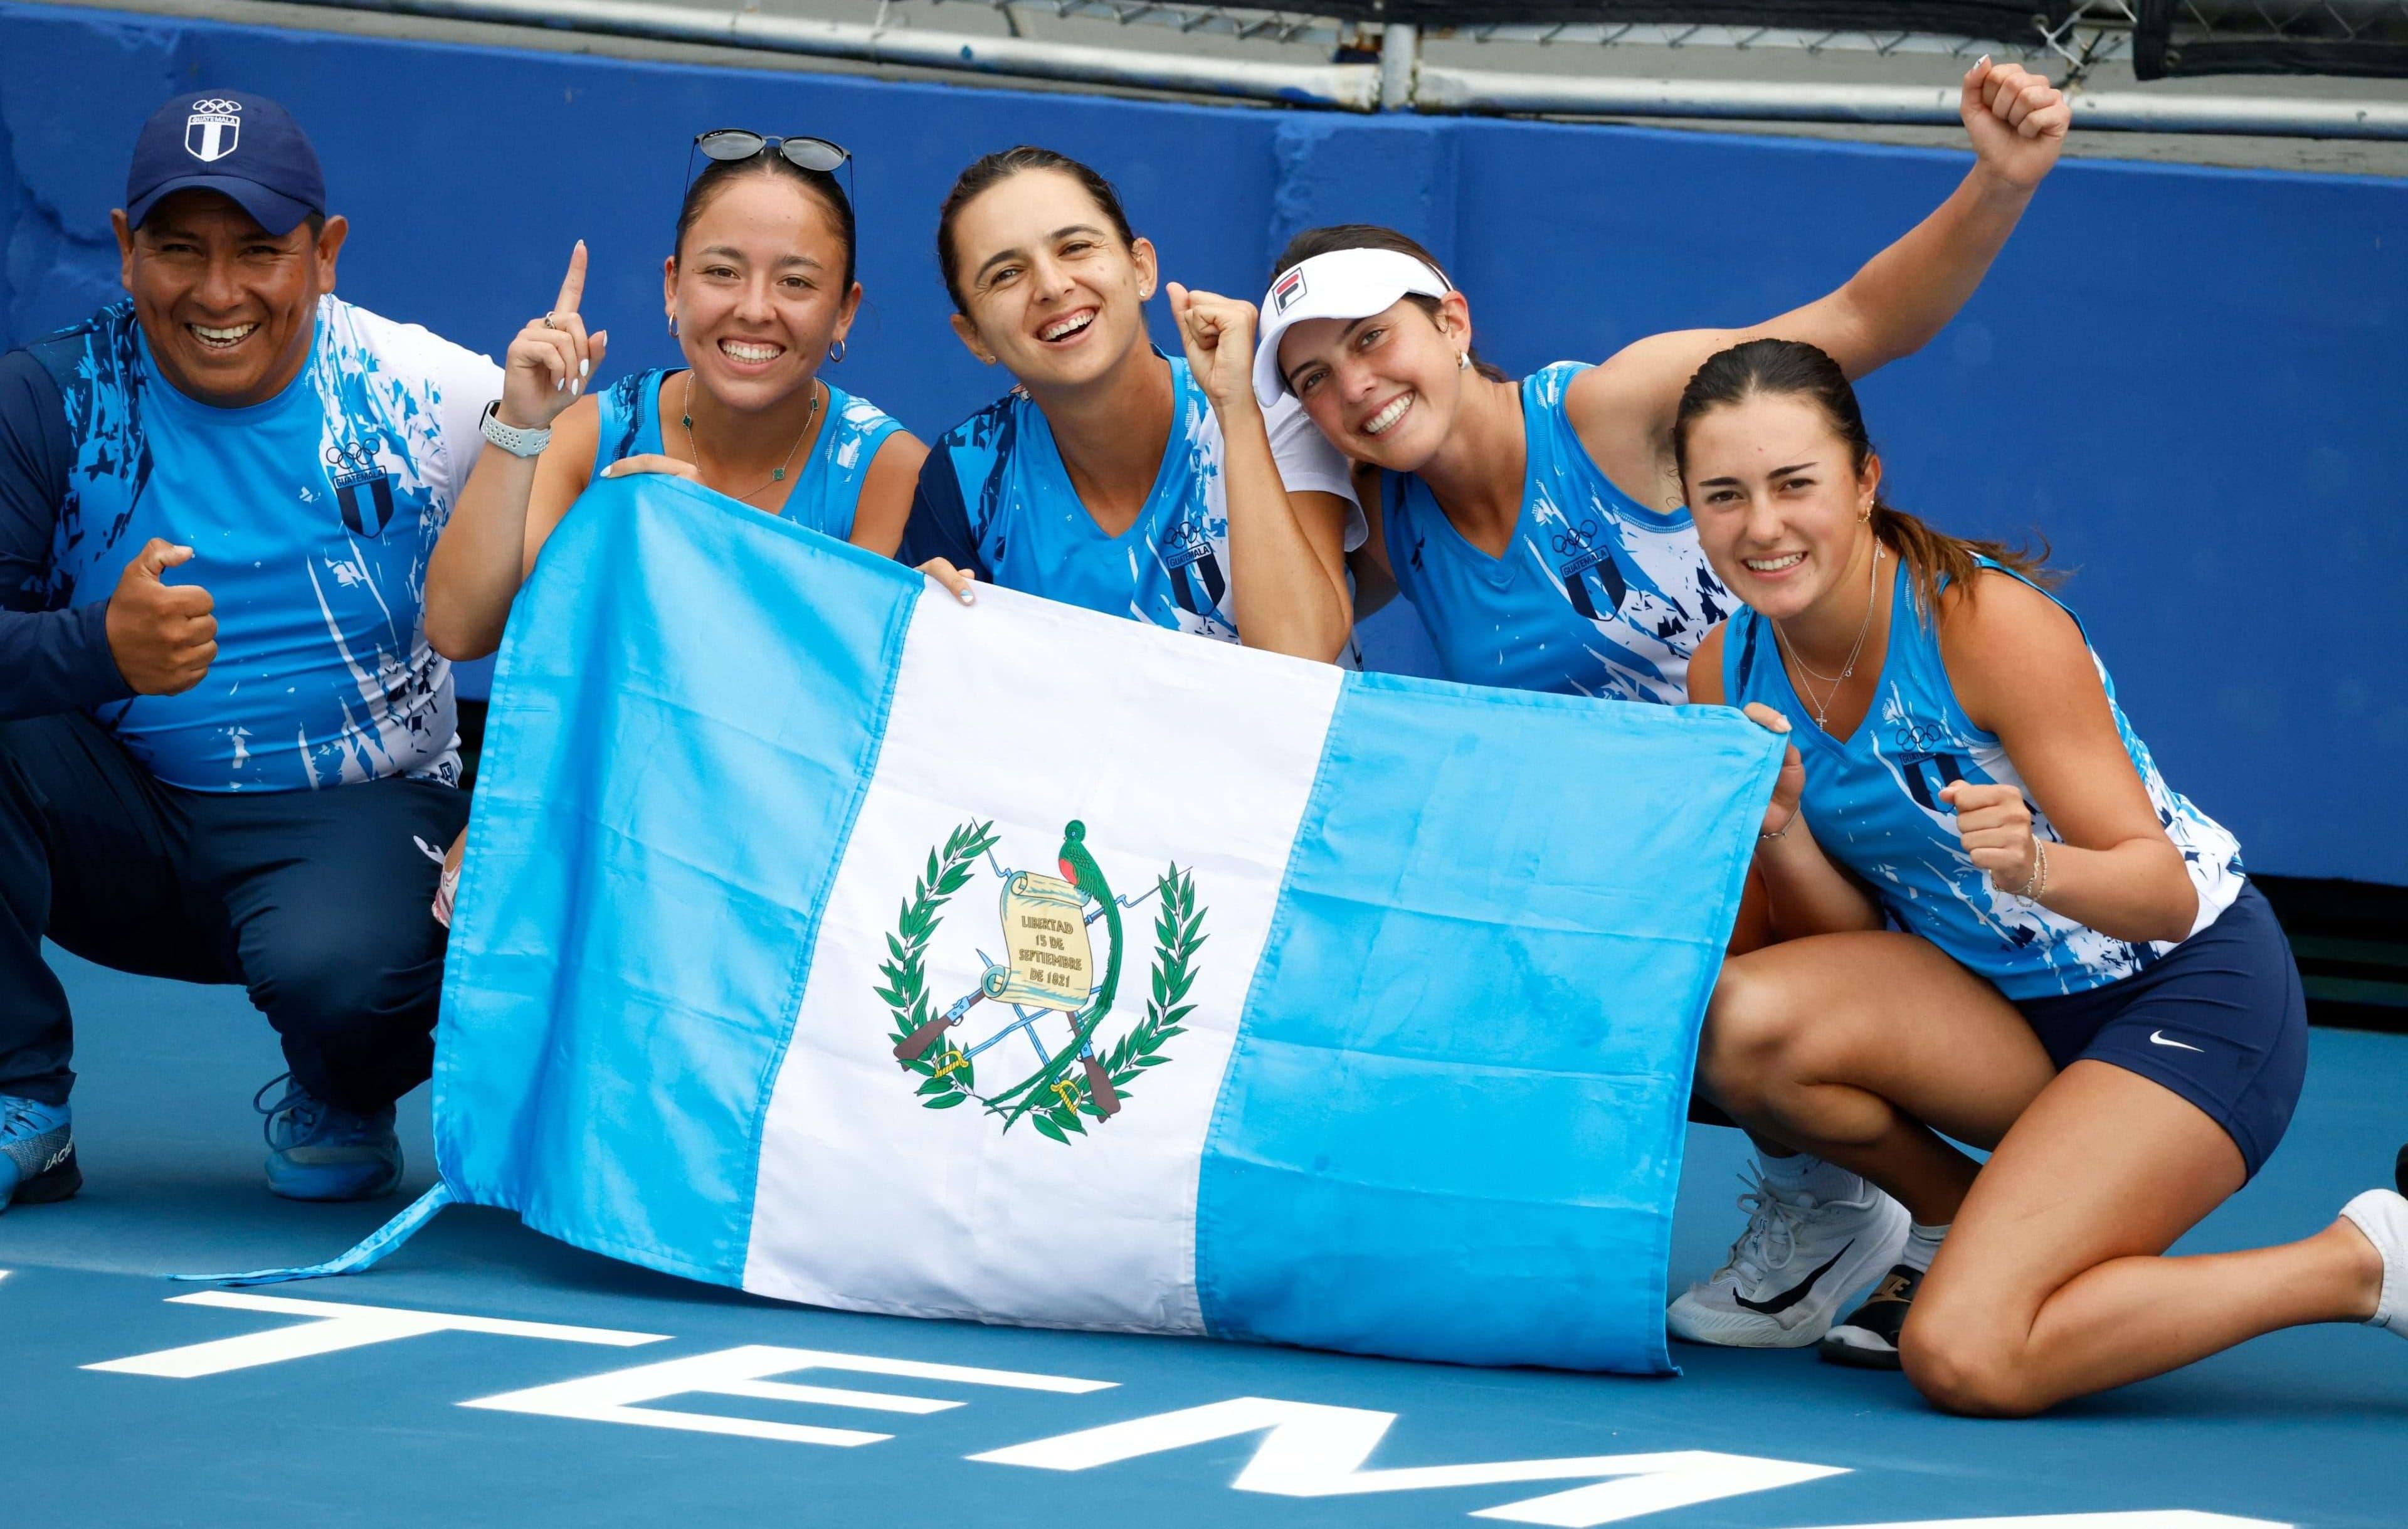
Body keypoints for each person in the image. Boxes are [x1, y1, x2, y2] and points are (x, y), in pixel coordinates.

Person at [1250, 60, 2075, 1349]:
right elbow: (1290, 646)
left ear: (1454, 319)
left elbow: (1862, 320)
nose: (1352, 386)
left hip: (1892, 829)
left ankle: (1868, 1205)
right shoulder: (1391, 519)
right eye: (1310, 378)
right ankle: (1930, 1217)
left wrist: (2001, 179)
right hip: (1743, 852)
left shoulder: (1613, 410)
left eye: (1372, 340)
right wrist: (1261, 433)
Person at [1676, 335, 2407, 1409]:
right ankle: (1958, 1218)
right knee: (1733, 1017)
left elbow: (2158, 890)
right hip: (1998, 1010)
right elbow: (1834, 942)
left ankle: (2366, 1259)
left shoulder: (1983, 623)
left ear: (1866, 478)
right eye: (1723, 495)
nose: (1762, 526)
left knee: (1969, 1353)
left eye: (1796, 484)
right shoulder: (1724, 665)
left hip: (2188, 1000)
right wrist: (1781, 827)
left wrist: (2035, 865)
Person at [0, 91, 501, 1208]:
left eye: (259, 252)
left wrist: (506, 799)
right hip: (117, 812)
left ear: (324, 255)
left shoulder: (445, 396)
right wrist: (98, 647)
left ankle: (340, 1080)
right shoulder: (45, 398)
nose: (218, 293)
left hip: (358, 814)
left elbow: (592, 603)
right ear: (126, 251)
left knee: (352, 982)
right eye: (179, 249)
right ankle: (17, 1091)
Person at [423, 130, 926, 922]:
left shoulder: (890, 471)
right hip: (587, 817)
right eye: (721, 272)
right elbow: (456, 628)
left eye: (796, 281)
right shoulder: (593, 431)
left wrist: (674, 555)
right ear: (672, 287)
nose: (754, 308)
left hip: (770, 859)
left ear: (844, 312)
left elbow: (827, 722)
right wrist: (524, 427)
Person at [900, 147, 1361, 662]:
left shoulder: (1272, 415)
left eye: (1075, 246)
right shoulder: (968, 471)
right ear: (975, 337)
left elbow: (1300, 660)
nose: (1053, 286)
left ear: (1141, 268)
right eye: (1006, 274)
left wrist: (1237, 412)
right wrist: (915, 637)